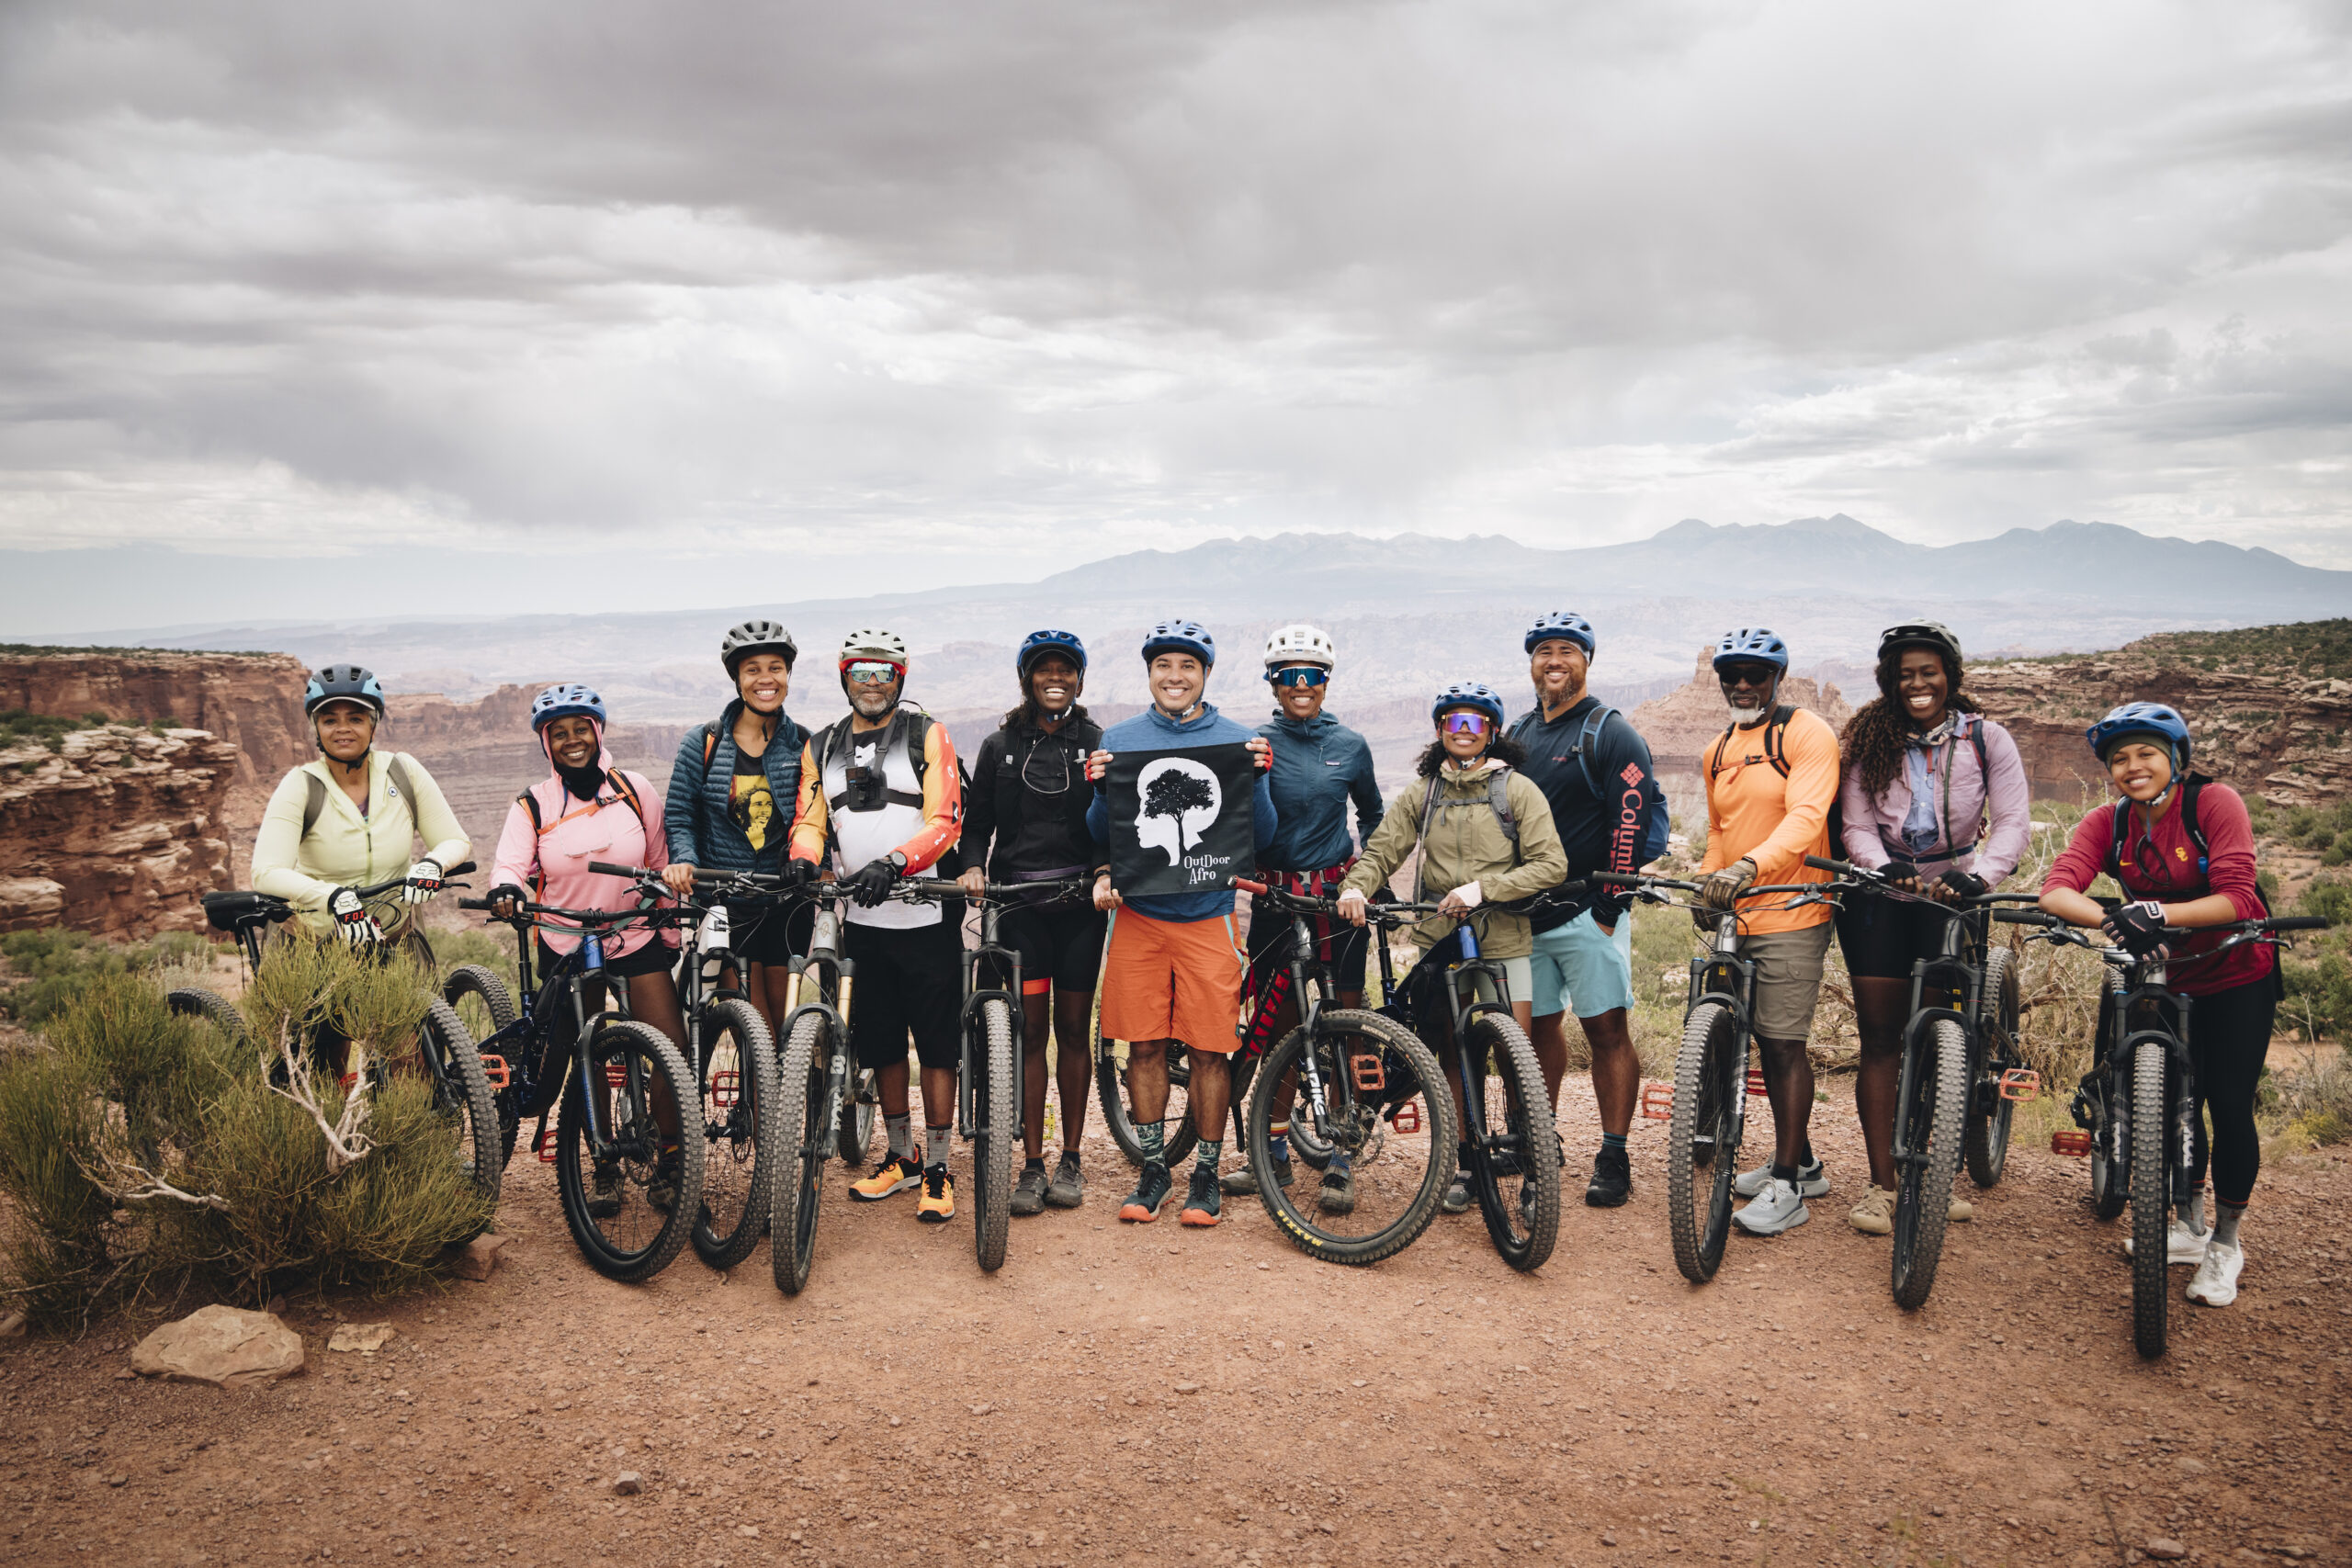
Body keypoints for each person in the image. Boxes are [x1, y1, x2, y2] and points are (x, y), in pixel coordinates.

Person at [2040, 703, 2276, 1309]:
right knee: (2176, 1102)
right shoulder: (2110, 821)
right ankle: (2189, 1227)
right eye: (2120, 758)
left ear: (2174, 758)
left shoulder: (2212, 803)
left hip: (2236, 974)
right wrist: (2117, 920)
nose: (2132, 766)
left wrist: (2159, 913)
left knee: (2227, 1100)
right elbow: (2057, 888)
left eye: (2146, 753)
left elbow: (2237, 895)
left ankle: (2225, 1242)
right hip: (2165, 978)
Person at [1337, 682, 1568, 1215]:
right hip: (1442, 946)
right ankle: (1466, 1161)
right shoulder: (1424, 792)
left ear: (1491, 732)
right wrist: (1357, 886)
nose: (1463, 733)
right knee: (1454, 1057)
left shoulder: (1517, 791)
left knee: (1516, 1057)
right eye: (1453, 723)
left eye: (1475, 724)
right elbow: (1382, 848)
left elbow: (1550, 864)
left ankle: (1530, 1169)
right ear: (1440, 731)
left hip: (1503, 941)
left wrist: (1485, 890)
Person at [1830, 622, 2031, 1235]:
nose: (1917, 683)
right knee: (1882, 1037)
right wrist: (1883, 868)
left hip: (1955, 894)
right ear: (1888, 679)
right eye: (1904, 673)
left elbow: (2013, 821)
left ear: (1950, 675)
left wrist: (1982, 875)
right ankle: (1882, 1185)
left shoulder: (1986, 738)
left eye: (1928, 670)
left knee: (1947, 1036)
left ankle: (1932, 1173)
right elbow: (1856, 823)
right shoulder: (1869, 739)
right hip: (1881, 896)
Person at [1081, 620, 1276, 1229]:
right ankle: (1153, 1166)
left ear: (1206, 674)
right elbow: (1101, 831)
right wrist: (1096, 791)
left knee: (1211, 1050)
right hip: (1141, 917)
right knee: (1142, 1045)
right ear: (1150, 673)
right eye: (1164, 665)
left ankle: (1208, 1173)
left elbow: (1261, 837)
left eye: (1187, 666)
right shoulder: (1122, 738)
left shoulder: (1239, 739)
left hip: (1207, 919)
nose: (1175, 676)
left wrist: (1259, 780)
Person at [789, 629, 967, 1224]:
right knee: (884, 1042)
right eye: (861, 670)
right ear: (844, 676)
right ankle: (901, 1156)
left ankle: (939, 1168)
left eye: (883, 671)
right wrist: (804, 856)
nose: (872, 681)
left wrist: (894, 863)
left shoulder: (928, 734)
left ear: (901, 677)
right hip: (863, 922)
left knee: (937, 1046)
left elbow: (945, 820)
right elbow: (811, 816)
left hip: (925, 916)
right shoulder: (824, 744)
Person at [489, 684, 687, 1214]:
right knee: (587, 1051)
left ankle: (670, 1159)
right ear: (546, 743)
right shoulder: (533, 803)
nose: (572, 741)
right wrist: (507, 888)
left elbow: (660, 855)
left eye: (582, 730)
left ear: (598, 733)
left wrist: (669, 933)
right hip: (566, 940)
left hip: (633, 932)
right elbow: (510, 864)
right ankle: (603, 1163)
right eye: (559, 734)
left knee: (672, 1045)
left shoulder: (633, 788)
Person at [1505, 612, 1662, 1209]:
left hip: (1588, 911)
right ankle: (1542, 1142)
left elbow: (1632, 813)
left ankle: (1614, 1154)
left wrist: (1609, 905)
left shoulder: (1609, 730)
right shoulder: (1519, 732)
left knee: (1606, 1029)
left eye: (1566, 650)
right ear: (1532, 662)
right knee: (1537, 1028)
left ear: (1586, 660)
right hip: (1529, 914)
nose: (1554, 661)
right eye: (1544, 650)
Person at [957, 630, 1107, 1215]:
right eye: (1044, 669)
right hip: (1018, 905)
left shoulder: (1096, 742)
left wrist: (1104, 871)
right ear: (1027, 678)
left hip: (1076, 909)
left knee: (1072, 1032)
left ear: (1079, 679)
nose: (1056, 678)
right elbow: (978, 823)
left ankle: (1071, 1158)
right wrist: (973, 866)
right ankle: (1032, 1162)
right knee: (1029, 1034)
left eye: (1066, 670)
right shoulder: (1000, 746)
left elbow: (1112, 822)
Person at [1696, 628, 1839, 1236]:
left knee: (1782, 1043)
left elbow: (1808, 818)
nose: (1744, 684)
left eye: (1757, 673)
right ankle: (1801, 1157)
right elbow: (1718, 828)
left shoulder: (1805, 732)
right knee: (1746, 1034)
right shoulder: (1718, 749)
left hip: (1793, 908)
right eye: (1734, 674)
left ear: (1778, 677)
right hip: (1737, 912)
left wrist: (1750, 868)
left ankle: (1789, 1183)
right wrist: (1708, 879)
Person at [252, 664, 468, 962]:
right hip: (312, 948)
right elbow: (266, 872)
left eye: (355, 718)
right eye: (330, 720)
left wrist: (433, 864)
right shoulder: (300, 785)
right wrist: (333, 898)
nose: (343, 729)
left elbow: (455, 840)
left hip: (395, 940)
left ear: (373, 725)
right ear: (317, 728)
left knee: (418, 1009)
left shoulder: (403, 772)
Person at [662, 621, 812, 1036]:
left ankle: (787, 1098)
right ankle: (759, 1101)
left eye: (776, 668)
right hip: (725, 900)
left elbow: (814, 818)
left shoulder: (803, 743)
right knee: (755, 1025)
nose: (766, 679)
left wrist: (819, 863)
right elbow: (680, 816)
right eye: (753, 670)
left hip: (785, 901)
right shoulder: (703, 742)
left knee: (787, 1027)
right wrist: (685, 862)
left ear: (788, 675)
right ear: (737, 679)